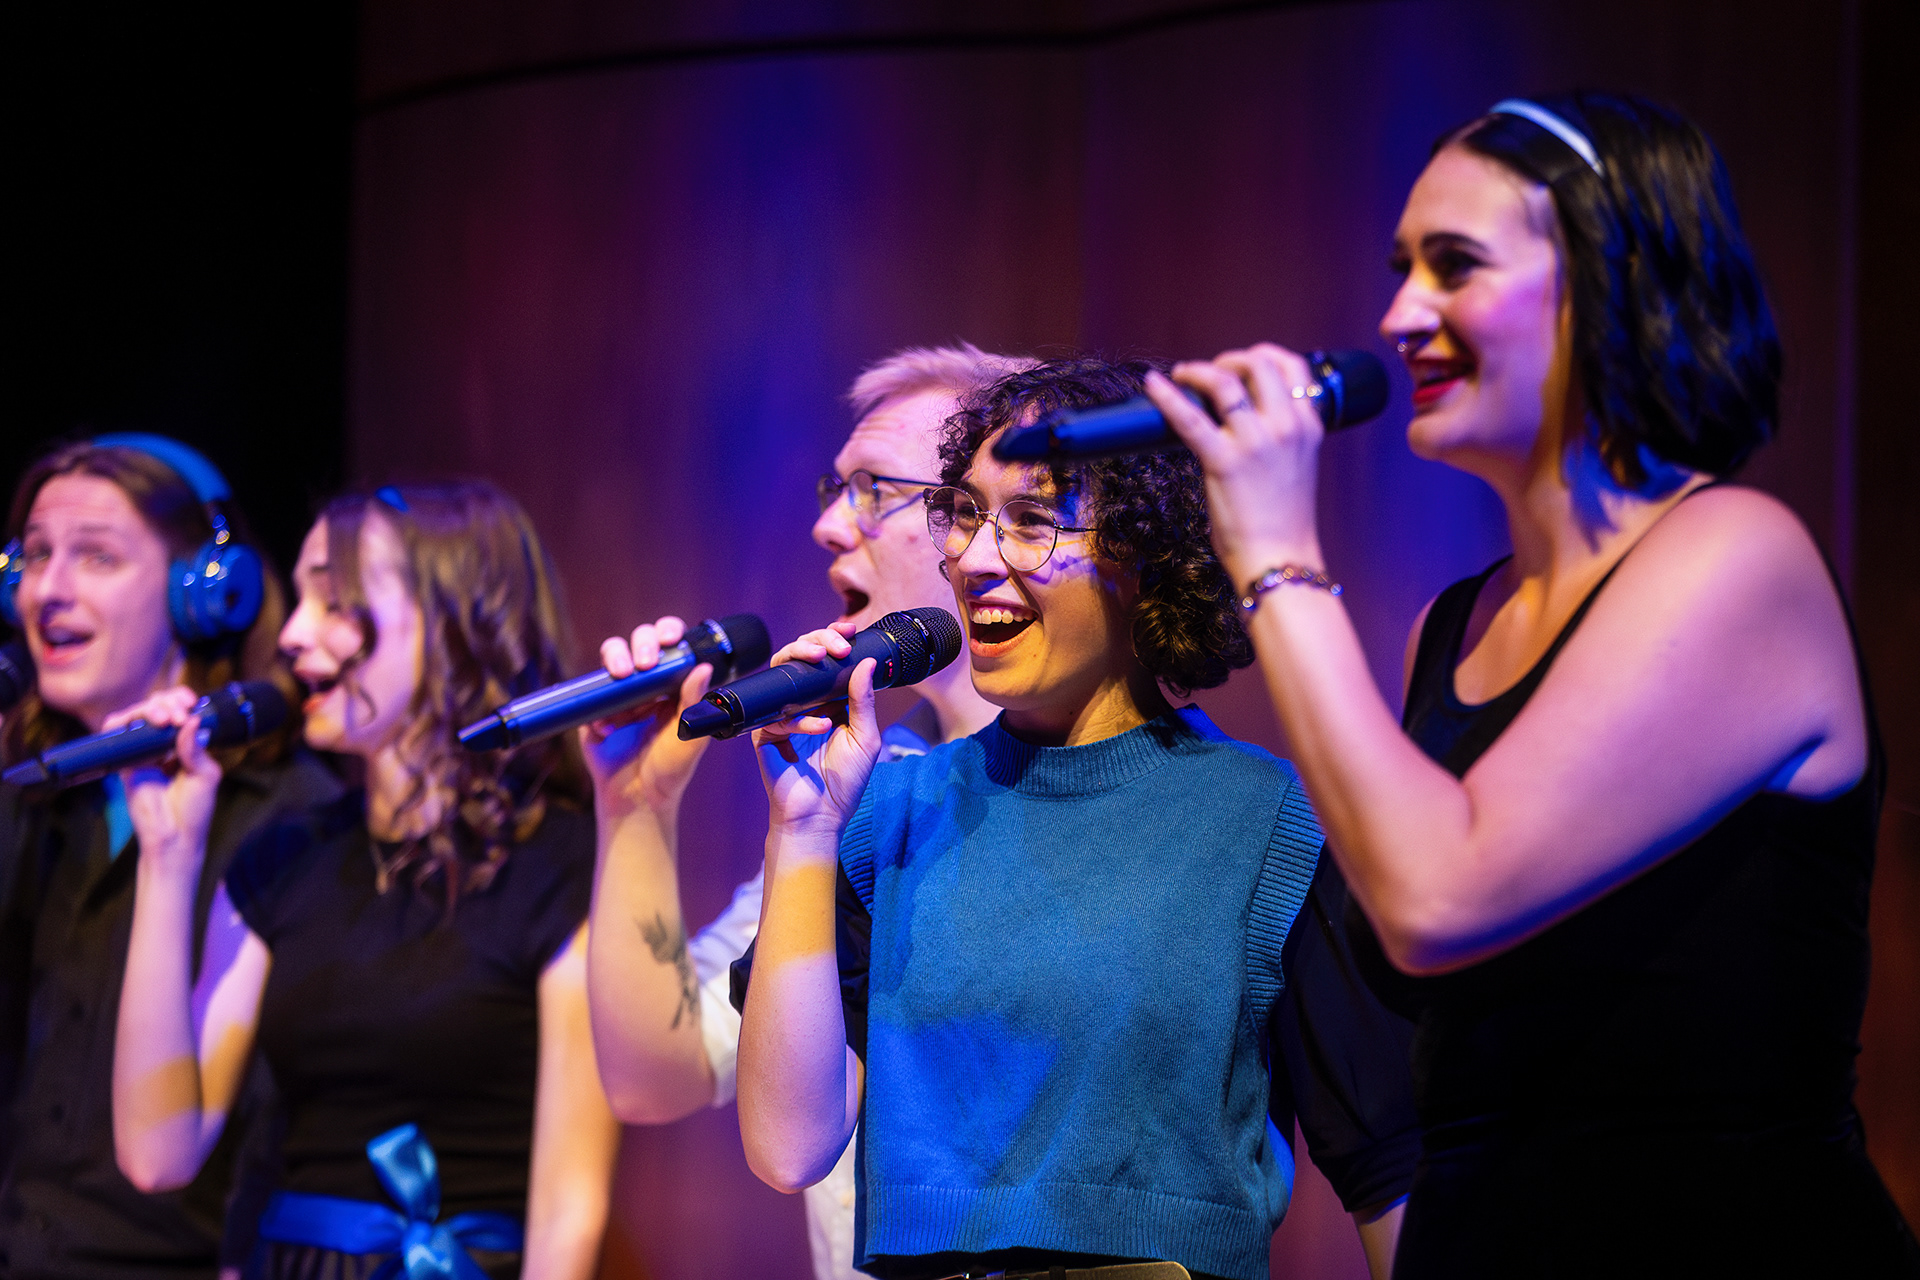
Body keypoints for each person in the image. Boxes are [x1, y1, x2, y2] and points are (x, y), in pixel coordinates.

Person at [1147, 92, 1920, 1275]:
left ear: (1614, 279)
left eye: (1454, 266)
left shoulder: (1737, 556)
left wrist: (1272, 555)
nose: (1400, 316)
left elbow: (1438, 898)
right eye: (1401, 268)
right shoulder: (1451, 625)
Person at [733, 357, 1420, 1280]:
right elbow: (787, 1148)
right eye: (967, 513)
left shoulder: (1264, 824)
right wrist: (803, 832)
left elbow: (1391, 1175)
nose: (976, 560)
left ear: (1148, 559)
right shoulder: (887, 815)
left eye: (1032, 521)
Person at [584, 344, 1028, 1280]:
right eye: (837, 489)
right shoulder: (861, 792)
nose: (829, 527)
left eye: (874, 491)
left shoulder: (1112, 790)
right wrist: (635, 805)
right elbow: (656, 1075)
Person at [109, 481, 620, 1280]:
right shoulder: (284, 856)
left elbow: (569, 1211)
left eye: (338, 600)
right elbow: (156, 1153)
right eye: (302, 597)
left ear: (457, 616)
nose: (294, 635)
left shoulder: (561, 860)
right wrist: (168, 858)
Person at [0, 436, 339, 1280]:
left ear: (205, 596)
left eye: (95, 557)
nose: (47, 591)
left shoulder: (291, 819)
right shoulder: (26, 800)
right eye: (34, 556)